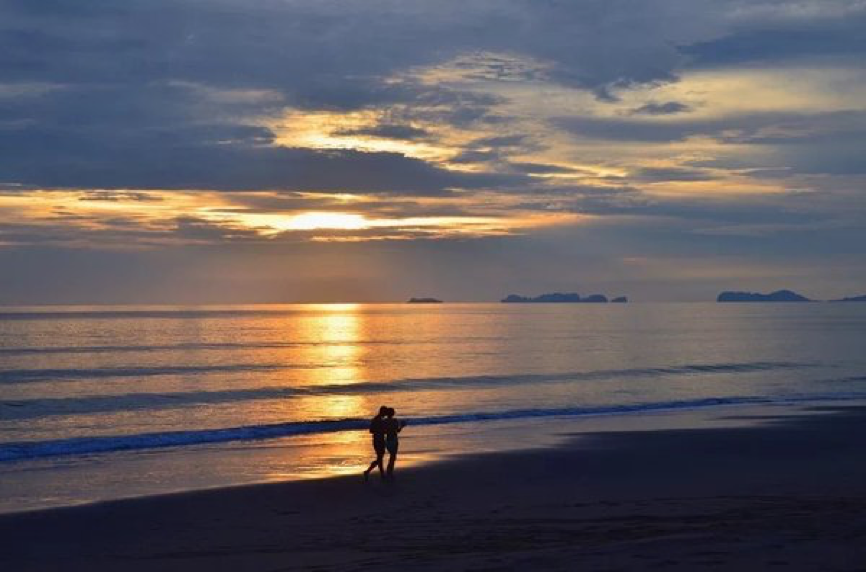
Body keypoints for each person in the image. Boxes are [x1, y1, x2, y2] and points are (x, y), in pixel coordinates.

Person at [363, 406, 388, 481]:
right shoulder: (377, 419)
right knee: (380, 458)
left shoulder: (379, 419)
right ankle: (380, 474)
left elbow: (372, 430)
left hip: (380, 440)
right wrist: (380, 430)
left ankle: (369, 472)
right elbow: (371, 430)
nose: (386, 414)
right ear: (382, 412)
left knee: (380, 458)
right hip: (377, 441)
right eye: (385, 412)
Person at [383, 407, 407, 478]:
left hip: (387, 440)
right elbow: (397, 430)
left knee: (392, 455)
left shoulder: (384, 421)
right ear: (392, 413)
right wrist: (402, 426)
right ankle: (389, 471)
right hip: (394, 439)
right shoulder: (395, 421)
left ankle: (389, 470)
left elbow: (384, 431)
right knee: (393, 456)